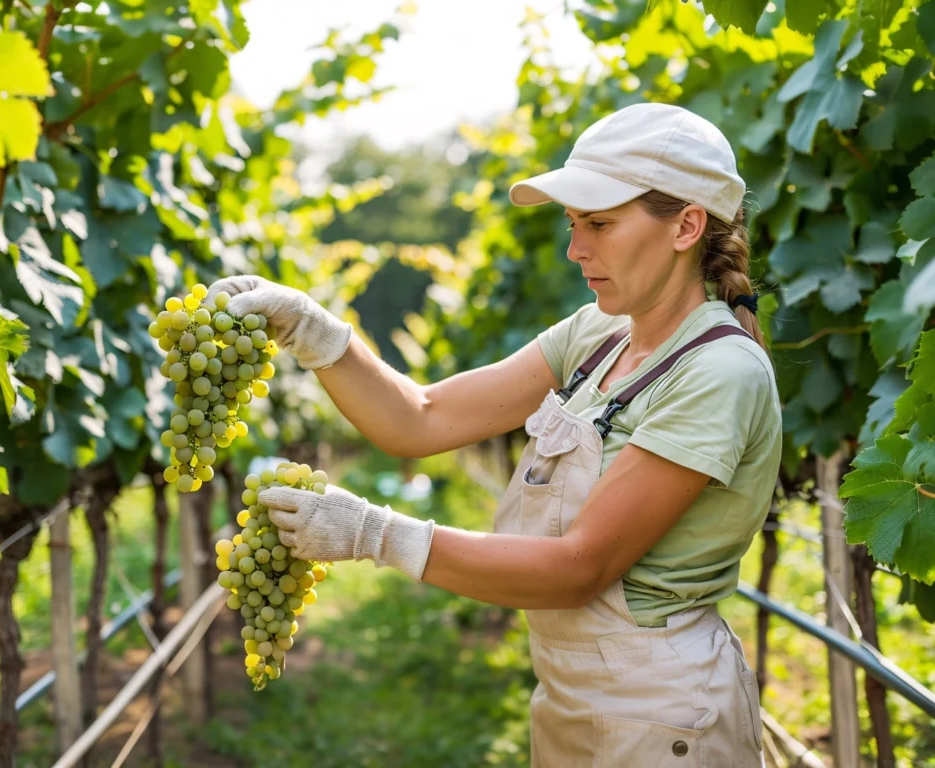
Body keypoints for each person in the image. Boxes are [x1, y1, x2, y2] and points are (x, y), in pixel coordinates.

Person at [207, 101, 780, 767]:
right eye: (573, 224)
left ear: (687, 225)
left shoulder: (719, 372)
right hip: (571, 696)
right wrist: (313, 330)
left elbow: (579, 568)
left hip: (662, 717)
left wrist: (375, 535)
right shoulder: (597, 334)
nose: (576, 249)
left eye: (599, 224)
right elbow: (421, 416)